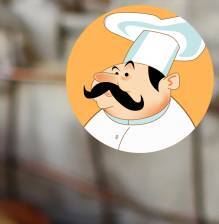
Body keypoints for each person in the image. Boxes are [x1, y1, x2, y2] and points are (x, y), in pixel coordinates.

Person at [83, 12, 207, 154]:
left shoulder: (176, 127)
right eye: (115, 71)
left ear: (169, 83)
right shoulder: (98, 118)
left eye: (127, 75)